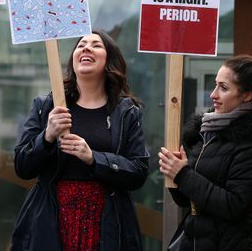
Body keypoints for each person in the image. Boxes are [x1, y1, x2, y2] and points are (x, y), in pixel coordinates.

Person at [12, 30, 149, 251]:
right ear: (73, 58)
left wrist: (94, 158)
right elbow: (22, 166)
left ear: (108, 60)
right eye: (81, 44)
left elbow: (139, 170)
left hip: (107, 220)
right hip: (52, 219)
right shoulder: (46, 105)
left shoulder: (126, 112)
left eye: (96, 45)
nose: (86, 48)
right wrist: (47, 136)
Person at [159, 55, 252, 251]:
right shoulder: (207, 132)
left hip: (232, 242)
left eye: (223, 87)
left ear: (246, 95)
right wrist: (174, 173)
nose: (213, 94)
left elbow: (234, 206)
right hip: (196, 239)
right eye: (215, 85)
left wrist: (183, 174)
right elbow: (188, 200)